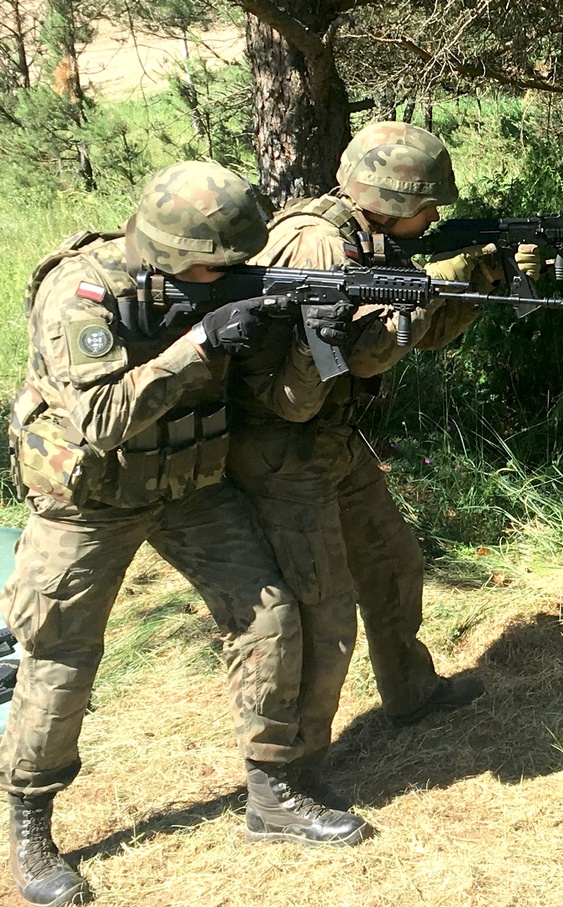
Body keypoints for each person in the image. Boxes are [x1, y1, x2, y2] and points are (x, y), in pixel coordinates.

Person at [2, 161, 375, 907]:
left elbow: (282, 395)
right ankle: (30, 822)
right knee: (59, 655)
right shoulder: (81, 291)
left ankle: (272, 790)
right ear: (174, 255)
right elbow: (101, 421)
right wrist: (199, 343)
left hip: (188, 485)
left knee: (269, 616)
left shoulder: (217, 283)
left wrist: (312, 339)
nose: (235, 276)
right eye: (218, 268)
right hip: (89, 496)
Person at [226, 122, 541, 794]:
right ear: (391, 198)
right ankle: (288, 780)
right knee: (322, 613)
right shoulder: (319, 244)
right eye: (427, 206)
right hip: (285, 450)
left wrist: (480, 274)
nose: (434, 218)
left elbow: (417, 336)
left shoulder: (369, 239)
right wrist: (437, 283)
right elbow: (350, 357)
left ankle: (410, 689)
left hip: (332, 439)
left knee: (392, 560)